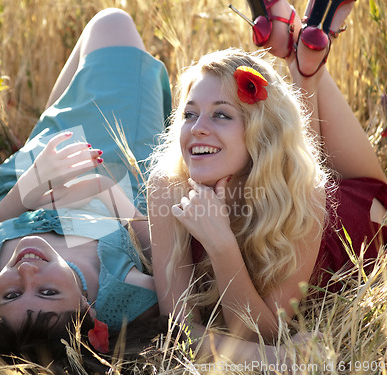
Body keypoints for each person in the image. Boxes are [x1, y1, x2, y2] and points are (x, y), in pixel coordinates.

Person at [147, 0, 386, 355]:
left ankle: (306, 70)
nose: (198, 129)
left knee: (313, 172)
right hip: (282, 172)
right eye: (189, 113)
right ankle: (305, 63)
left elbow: (264, 330)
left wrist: (222, 245)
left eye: (222, 116)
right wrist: (274, 361)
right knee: (296, 156)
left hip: (366, 215)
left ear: (259, 132)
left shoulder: (304, 193)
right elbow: (179, 330)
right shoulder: (167, 187)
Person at [0, 8, 171, 368]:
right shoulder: (123, 290)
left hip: (19, 195)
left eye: (11, 293)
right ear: (89, 310)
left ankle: (51, 126)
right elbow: (179, 277)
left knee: (57, 126)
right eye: (48, 291)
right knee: (111, 23)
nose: (26, 272)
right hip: (110, 172)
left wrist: (28, 188)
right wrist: (109, 193)